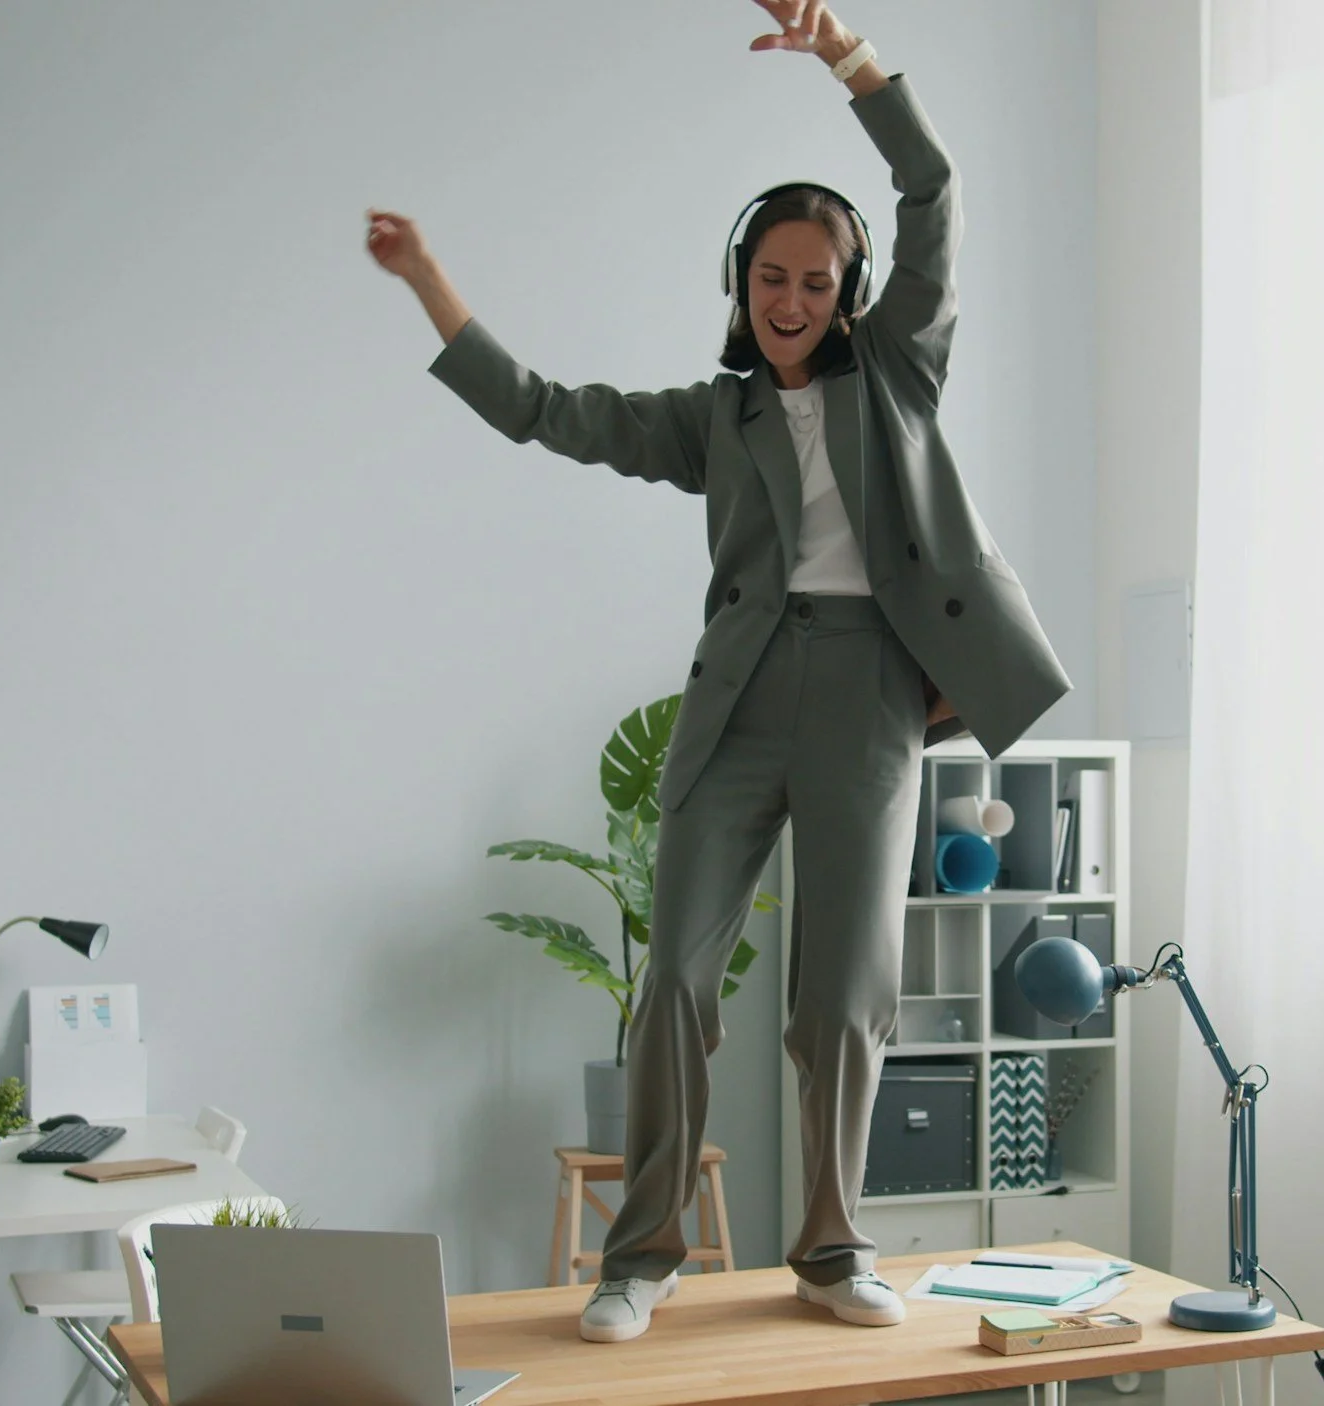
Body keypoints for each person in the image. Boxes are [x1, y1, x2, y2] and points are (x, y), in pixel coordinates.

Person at [366, 0, 1067, 1344]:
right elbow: (543, 411)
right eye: (771, 279)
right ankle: (641, 1255)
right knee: (677, 978)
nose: (792, 301)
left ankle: (831, 1245)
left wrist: (847, 56)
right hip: (740, 699)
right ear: (740, 287)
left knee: (843, 992)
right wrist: (426, 281)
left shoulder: (903, 372)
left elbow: (933, 187)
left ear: (848, 292)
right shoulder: (717, 416)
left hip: (871, 698)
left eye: (816, 280)